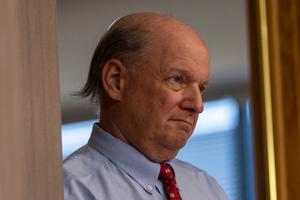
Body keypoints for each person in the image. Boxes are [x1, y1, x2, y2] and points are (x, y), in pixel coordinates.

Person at [64, 12, 228, 200]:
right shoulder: (68, 191)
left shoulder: (208, 190)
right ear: (116, 80)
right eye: (177, 79)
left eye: (201, 88)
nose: (197, 105)